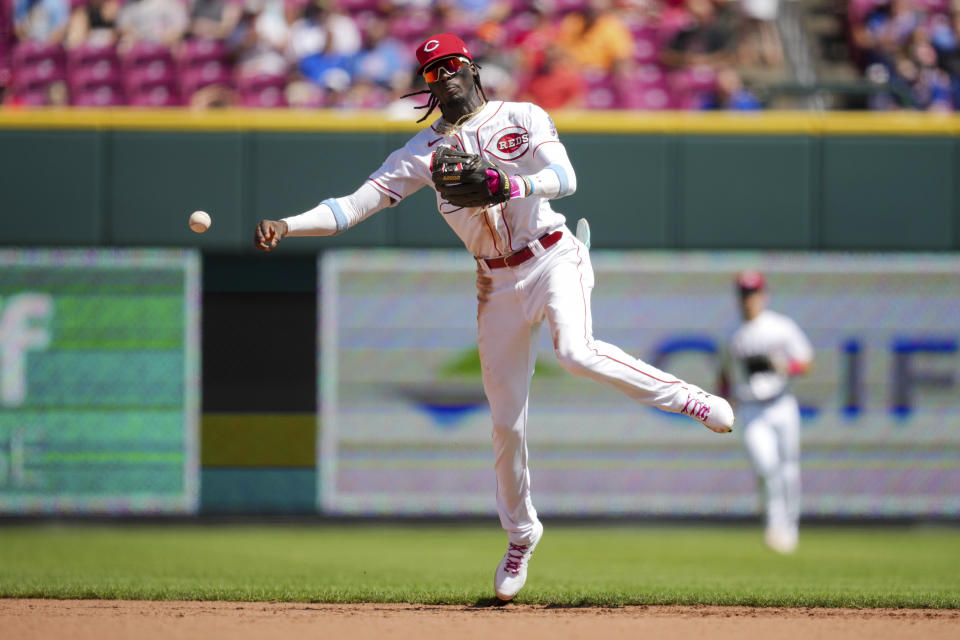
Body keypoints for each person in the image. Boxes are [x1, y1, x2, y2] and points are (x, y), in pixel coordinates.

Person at [253, 32, 735, 602]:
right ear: (426, 86)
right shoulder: (422, 153)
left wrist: (511, 182)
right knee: (506, 422)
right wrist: (288, 223)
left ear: (473, 69)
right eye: (432, 72)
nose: (444, 77)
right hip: (495, 281)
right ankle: (521, 533)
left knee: (576, 352)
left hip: (552, 253)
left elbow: (566, 178)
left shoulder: (523, 116)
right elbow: (352, 206)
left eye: (452, 65)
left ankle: (687, 398)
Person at [720, 271, 812, 554]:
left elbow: (806, 362)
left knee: (789, 469)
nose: (749, 299)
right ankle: (775, 525)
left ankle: (790, 528)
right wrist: (722, 405)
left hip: (781, 403)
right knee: (766, 466)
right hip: (751, 408)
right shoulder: (733, 335)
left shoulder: (780, 327)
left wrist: (783, 366)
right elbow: (724, 376)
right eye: (745, 294)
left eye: (754, 293)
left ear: (764, 295)